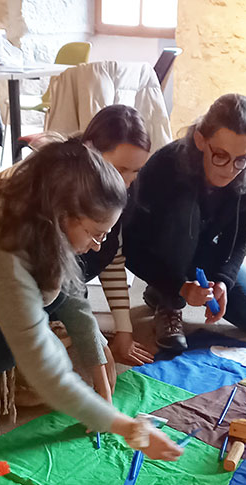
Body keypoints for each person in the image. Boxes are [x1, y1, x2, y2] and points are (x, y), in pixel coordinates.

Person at [0, 138, 183, 463]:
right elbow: (47, 370)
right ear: (63, 217)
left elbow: (71, 296)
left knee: (43, 306)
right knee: (13, 330)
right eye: (95, 234)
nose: (96, 246)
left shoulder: (31, 216)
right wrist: (128, 428)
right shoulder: (3, 252)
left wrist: (99, 370)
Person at [121, 93, 246, 354]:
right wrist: (178, 286)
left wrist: (224, 280)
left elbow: (240, 239)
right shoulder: (165, 165)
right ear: (200, 140)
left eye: (241, 159)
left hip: (206, 254)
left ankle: (161, 290)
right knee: (185, 211)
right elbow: (130, 246)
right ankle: (168, 300)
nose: (229, 169)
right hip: (163, 250)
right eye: (221, 155)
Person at [77, 105, 154, 366]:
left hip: (71, 278)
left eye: (136, 171)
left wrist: (124, 330)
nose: (127, 183)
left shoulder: (123, 188)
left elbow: (112, 256)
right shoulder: (62, 186)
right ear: (90, 150)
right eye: (120, 170)